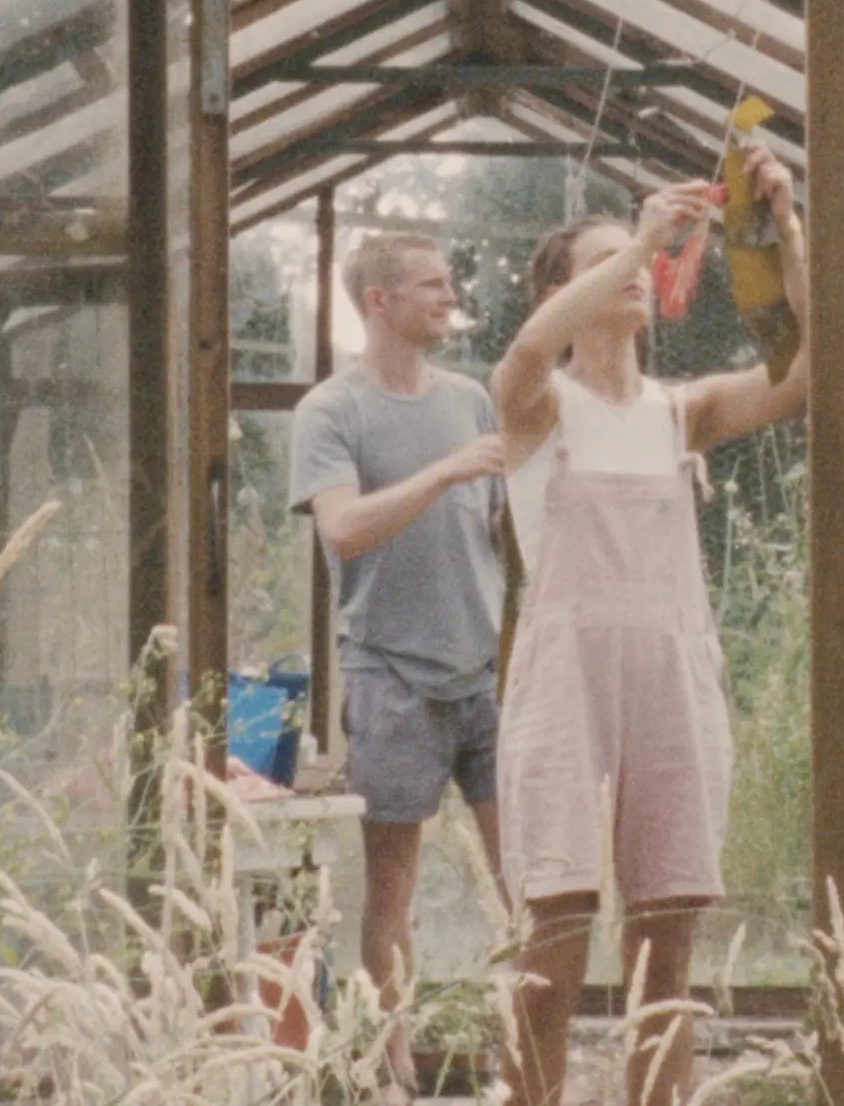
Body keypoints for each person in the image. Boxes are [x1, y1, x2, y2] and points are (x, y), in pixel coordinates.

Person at [492, 146, 809, 1106]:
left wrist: (782, 225)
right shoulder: (539, 408)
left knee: (662, 955)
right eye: (603, 263)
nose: (636, 271)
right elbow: (516, 356)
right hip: (565, 687)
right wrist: (635, 242)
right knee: (549, 950)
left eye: (642, 259)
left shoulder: (683, 412)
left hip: (670, 679)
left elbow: (804, 366)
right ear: (564, 291)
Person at [288, 232, 506, 1103]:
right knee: (392, 887)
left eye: (447, 282)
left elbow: (495, 531)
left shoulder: (473, 398)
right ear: (378, 300)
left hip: (484, 675)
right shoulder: (331, 410)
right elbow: (341, 528)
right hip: (391, 680)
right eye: (430, 284)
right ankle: (395, 1072)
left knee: (527, 875)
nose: (448, 296)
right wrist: (445, 470)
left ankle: (527, 1056)